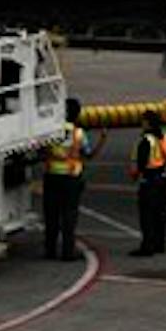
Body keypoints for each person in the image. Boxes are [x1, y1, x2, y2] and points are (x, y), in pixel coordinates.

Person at [43, 97, 99, 261]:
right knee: (69, 216)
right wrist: (102, 140)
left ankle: (50, 250)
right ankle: (68, 251)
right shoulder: (78, 133)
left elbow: (43, 149)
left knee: (51, 215)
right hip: (71, 178)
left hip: (52, 175)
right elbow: (88, 154)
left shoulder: (51, 130)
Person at [128, 109, 166, 257]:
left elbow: (141, 163)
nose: (141, 124)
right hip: (162, 179)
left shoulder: (145, 140)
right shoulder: (165, 137)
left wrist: (134, 175)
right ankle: (159, 244)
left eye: (143, 121)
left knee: (147, 215)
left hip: (148, 181)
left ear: (148, 123)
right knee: (160, 214)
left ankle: (147, 247)